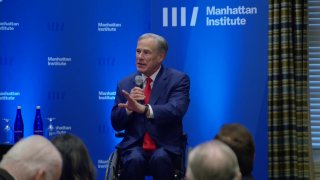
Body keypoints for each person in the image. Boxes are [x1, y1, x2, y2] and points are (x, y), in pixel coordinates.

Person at [111, 33, 190, 180]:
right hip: (134, 147)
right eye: (138, 51)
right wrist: (128, 108)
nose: (140, 57)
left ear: (161, 57)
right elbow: (116, 123)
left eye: (146, 52)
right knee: (134, 159)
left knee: (160, 158)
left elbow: (176, 110)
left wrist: (145, 109)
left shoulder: (178, 80)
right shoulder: (125, 83)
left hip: (166, 146)